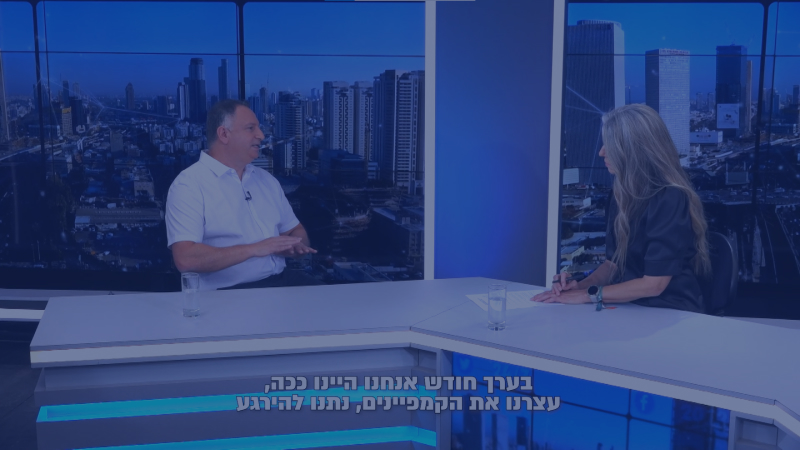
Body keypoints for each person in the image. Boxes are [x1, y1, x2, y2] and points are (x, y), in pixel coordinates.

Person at [533, 104, 710, 312]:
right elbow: (613, 265)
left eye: (610, 146)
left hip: (670, 311)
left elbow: (654, 285)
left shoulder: (669, 198)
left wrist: (587, 295)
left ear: (634, 151)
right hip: (631, 307)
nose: (601, 152)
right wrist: (579, 286)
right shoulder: (621, 195)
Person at [166, 99, 317, 290]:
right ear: (224, 134)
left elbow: (296, 231)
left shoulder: (266, 180)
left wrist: (296, 245)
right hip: (227, 292)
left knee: (337, 302)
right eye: (250, 128)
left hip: (281, 280)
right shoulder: (189, 185)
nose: (261, 135)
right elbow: (186, 259)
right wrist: (255, 249)